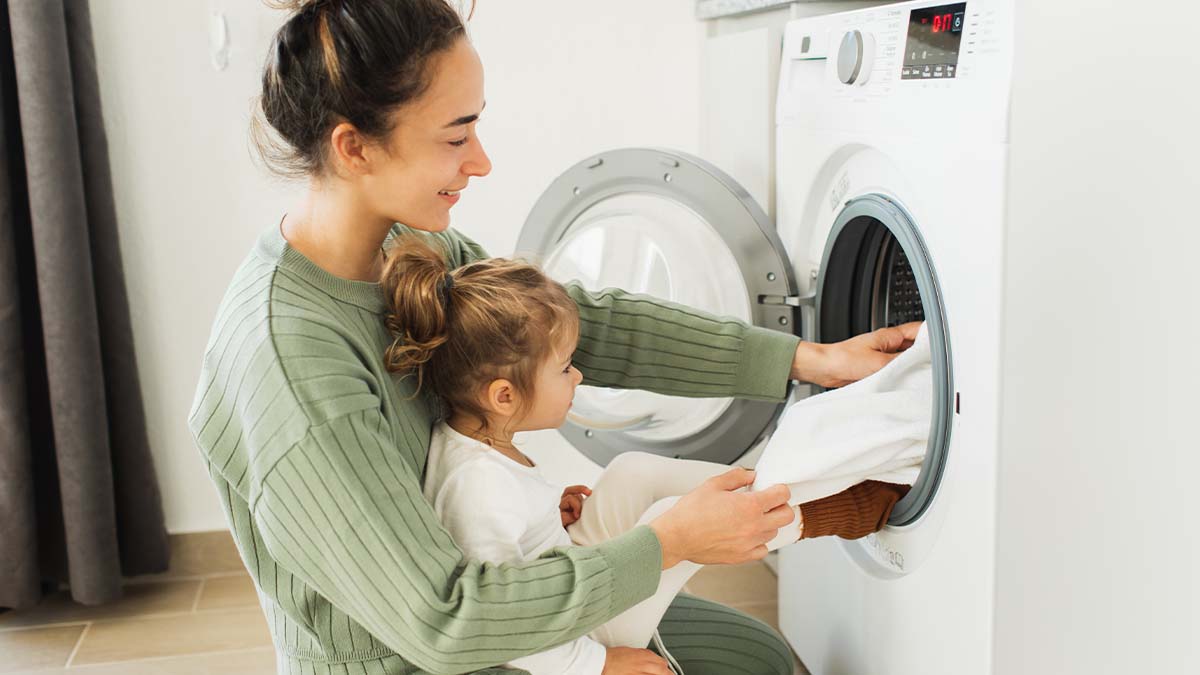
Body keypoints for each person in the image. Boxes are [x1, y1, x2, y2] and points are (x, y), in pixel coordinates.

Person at [188, 1, 919, 673]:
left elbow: (577, 325)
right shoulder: (293, 364)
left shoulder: (407, 251)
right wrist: (662, 549)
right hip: (425, 654)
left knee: (757, 655)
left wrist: (806, 358)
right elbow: (443, 620)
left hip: (493, 596)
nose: (481, 160)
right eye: (456, 135)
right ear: (354, 149)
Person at [381, 237, 911, 674]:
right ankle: (831, 509)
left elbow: (513, 545)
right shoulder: (477, 490)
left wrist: (550, 515)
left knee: (633, 471)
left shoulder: (480, 443)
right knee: (666, 523)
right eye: (565, 368)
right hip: (571, 631)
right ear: (504, 396)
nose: (579, 375)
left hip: (566, 581)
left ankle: (776, 484)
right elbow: (507, 630)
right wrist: (600, 665)